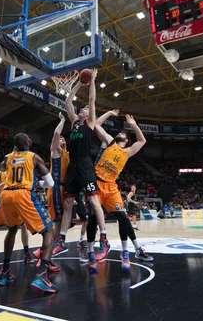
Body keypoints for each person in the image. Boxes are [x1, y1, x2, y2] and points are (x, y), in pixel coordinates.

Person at [0, 133, 58, 293]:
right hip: (23, 194)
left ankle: (4, 272)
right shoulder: (34, 157)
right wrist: (37, 182)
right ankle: (42, 274)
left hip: (6, 195)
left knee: (12, 229)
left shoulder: (7, 158)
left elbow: (5, 167)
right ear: (28, 142)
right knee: (50, 230)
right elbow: (50, 183)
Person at [57, 69, 111, 262]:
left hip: (86, 165)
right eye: (82, 110)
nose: (83, 110)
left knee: (94, 202)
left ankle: (103, 239)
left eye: (85, 110)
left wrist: (93, 81)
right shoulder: (73, 123)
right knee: (67, 203)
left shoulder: (90, 123)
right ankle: (61, 240)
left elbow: (92, 100)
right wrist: (80, 82)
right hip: (73, 165)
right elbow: (68, 102)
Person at [90, 112, 152, 272]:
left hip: (111, 187)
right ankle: (91, 252)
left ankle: (125, 252)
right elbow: (96, 124)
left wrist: (133, 124)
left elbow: (142, 140)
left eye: (123, 134)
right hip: (96, 183)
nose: (120, 133)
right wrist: (109, 113)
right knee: (92, 218)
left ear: (126, 140)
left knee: (122, 218)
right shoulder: (110, 142)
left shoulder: (128, 151)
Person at [48, 113, 71, 256]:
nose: (61, 139)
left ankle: (56, 244)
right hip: (56, 187)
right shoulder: (55, 151)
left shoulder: (67, 154)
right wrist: (63, 120)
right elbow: (56, 134)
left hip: (65, 188)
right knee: (57, 221)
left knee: (62, 220)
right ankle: (51, 247)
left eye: (63, 138)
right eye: (60, 139)